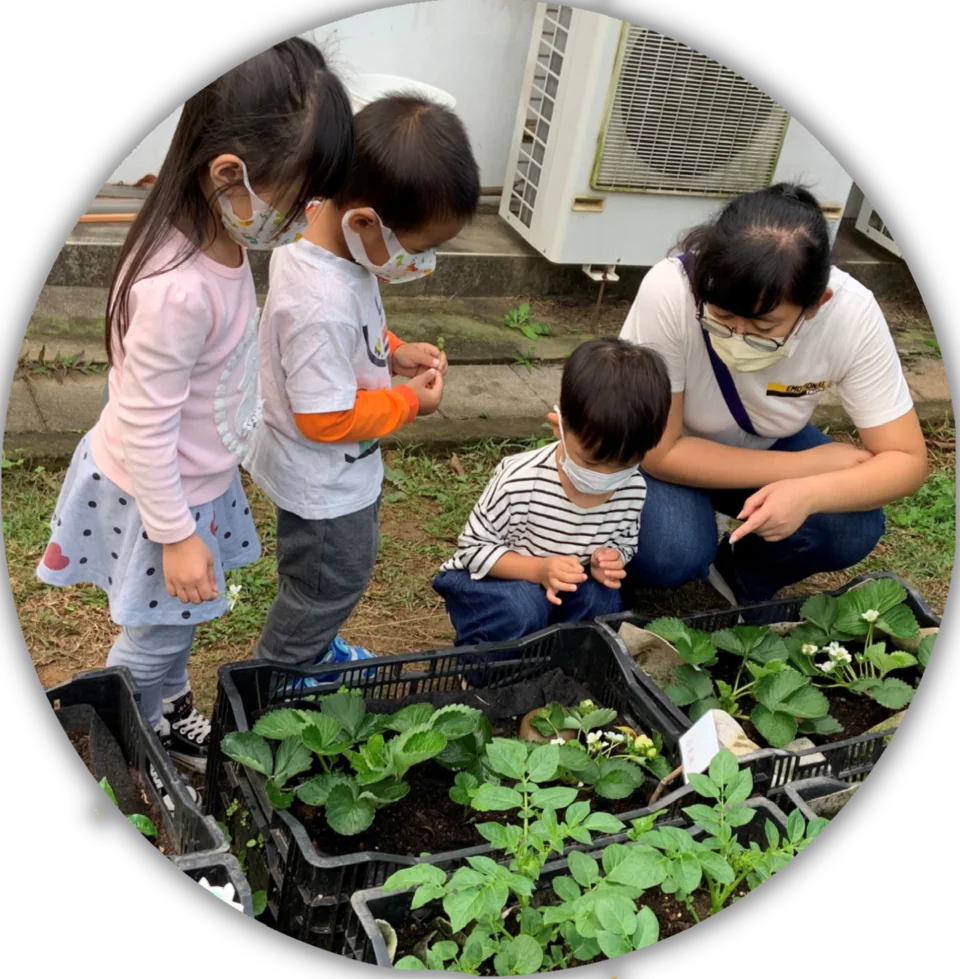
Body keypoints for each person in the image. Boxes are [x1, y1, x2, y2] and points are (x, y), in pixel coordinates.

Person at [36, 39, 354, 786]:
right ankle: (122, 740)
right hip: (160, 496)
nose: (306, 215)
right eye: (300, 197)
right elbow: (145, 422)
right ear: (228, 174)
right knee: (148, 636)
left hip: (192, 482)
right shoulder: (176, 288)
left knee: (175, 624)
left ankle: (165, 704)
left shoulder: (218, 234)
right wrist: (175, 534)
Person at [244, 94, 480, 684]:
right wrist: (409, 403)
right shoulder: (320, 303)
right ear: (364, 222)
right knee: (329, 582)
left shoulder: (328, 248)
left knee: (321, 578)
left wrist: (393, 351)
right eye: (421, 248)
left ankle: (311, 650)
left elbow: (352, 336)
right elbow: (323, 419)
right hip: (323, 479)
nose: (423, 262)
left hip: (338, 471)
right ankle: (274, 682)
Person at [619, 183, 928, 606]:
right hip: (667, 451)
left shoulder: (852, 315)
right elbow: (659, 451)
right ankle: (631, 566)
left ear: (816, 304)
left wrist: (809, 492)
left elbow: (907, 461)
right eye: (721, 317)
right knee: (672, 550)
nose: (738, 336)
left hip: (764, 441)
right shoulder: (670, 290)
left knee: (848, 527)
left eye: (764, 329)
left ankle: (743, 575)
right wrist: (800, 466)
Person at [433, 338, 671, 645]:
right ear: (559, 427)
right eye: (591, 461)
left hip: (565, 585)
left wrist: (612, 559)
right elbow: (474, 550)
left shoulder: (633, 487)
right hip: (494, 583)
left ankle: (561, 662)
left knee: (606, 602)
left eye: (625, 464)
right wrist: (538, 569)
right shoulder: (520, 480)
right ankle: (483, 669)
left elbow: (624, 541)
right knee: (522, 606)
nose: (606, 476)